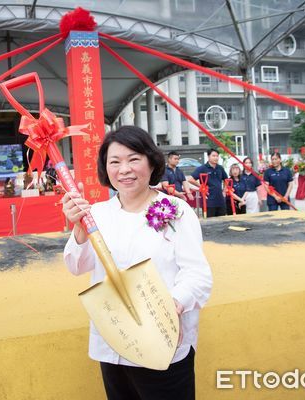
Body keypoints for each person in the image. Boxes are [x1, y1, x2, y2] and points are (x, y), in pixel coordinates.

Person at [62, 126, 213, 400]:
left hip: (162, 342)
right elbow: (75, 265)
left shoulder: (177, 211)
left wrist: (171, 306)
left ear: (152, 162)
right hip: (113, 342)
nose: (124, 170)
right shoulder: (96, 214)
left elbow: (197, 275)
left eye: (134, 159)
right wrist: (79, 229)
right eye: (115, 162)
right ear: (105, 168)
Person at [188, 149, 228, 217]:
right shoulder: (202, 168)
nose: (216, 158)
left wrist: (224, 190)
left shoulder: (220, 168)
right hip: (208, 200)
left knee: (222, 222)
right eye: (213, 156)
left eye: (217, 156)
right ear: (208, 156)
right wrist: (201, 186)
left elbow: (226, 179)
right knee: (210, 223)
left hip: (220, 200)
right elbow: (190, 179)